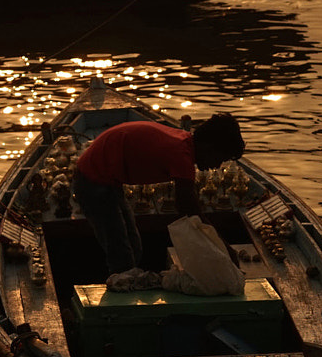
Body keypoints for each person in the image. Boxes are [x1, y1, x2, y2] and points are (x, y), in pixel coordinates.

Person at [71, 113, 245, 286]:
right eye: (219, 158)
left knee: (134, 246)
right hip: (92, 179)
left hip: (108, 178)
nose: (217, 166)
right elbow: (191, 213)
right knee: (121, 254)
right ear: (209, 146)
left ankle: (124, 285)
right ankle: (119, 301)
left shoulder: (184, 142)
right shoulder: (181, 155)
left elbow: (191, 213)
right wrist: (226, 250)